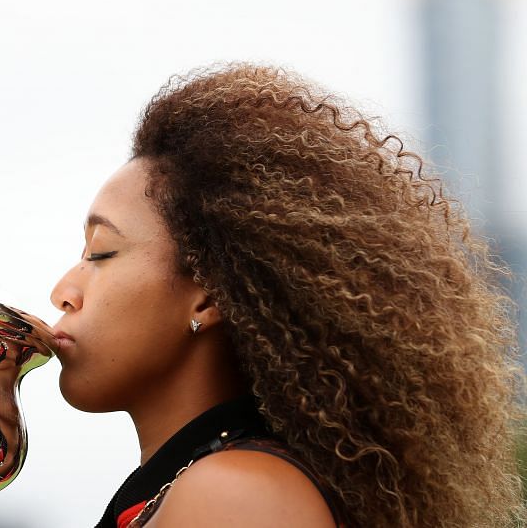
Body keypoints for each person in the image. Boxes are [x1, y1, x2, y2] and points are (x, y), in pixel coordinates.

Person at [49, 64, 524, 527]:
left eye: (101, 252)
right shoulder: (213, 484)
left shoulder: (235, 495)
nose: (63, 293)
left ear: (208, 295)